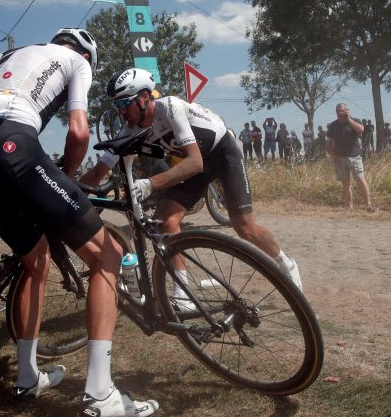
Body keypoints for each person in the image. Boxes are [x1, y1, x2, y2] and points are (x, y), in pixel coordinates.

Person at [0, 28, 158, 417]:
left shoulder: (9, 57)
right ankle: (100, 393)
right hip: (13, 146)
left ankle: (27, 377)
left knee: (35, 264)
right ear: (87, 55)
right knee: (107, 256)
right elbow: (79, 131)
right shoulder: (76, 61)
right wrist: (70, 177)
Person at [80, 68, 303, 293]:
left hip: (222, 153)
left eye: (125, 104)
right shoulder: (129, 129)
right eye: (117, 106)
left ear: (144, 98)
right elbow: (99, 169)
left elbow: (195, 162)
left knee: (245, 227)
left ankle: (286, 263)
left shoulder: (169, 108)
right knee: (166, 222)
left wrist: (150, 184)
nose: (122, 112)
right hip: (198, 163)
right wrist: (71, 192)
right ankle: (183, 293)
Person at [325, 103, 375, 212]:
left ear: (347, 111)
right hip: (339, 158)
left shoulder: (355, 121)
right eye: (338, 111)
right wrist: (333, 155)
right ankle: (349, 206)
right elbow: (328, 142)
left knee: (360, 180)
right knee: (345, 183)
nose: (340, 113)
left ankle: (368, 205)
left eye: (342, 111)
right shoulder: (333, 125)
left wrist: (349, 119)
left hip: (354, 156)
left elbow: (361, 130)